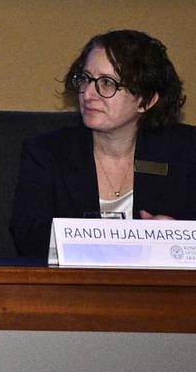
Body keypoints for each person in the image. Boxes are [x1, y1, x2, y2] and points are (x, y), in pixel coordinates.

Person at [10, 29, 196, 257]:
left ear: (146, 101)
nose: (88, 93)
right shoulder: (47, 153)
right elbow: (29, 237)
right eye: (85, 79)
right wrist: (129, 243)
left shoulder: (187, 152)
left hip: (162, 290)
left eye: (107, 83)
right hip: (74, 289)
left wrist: (181, 237)